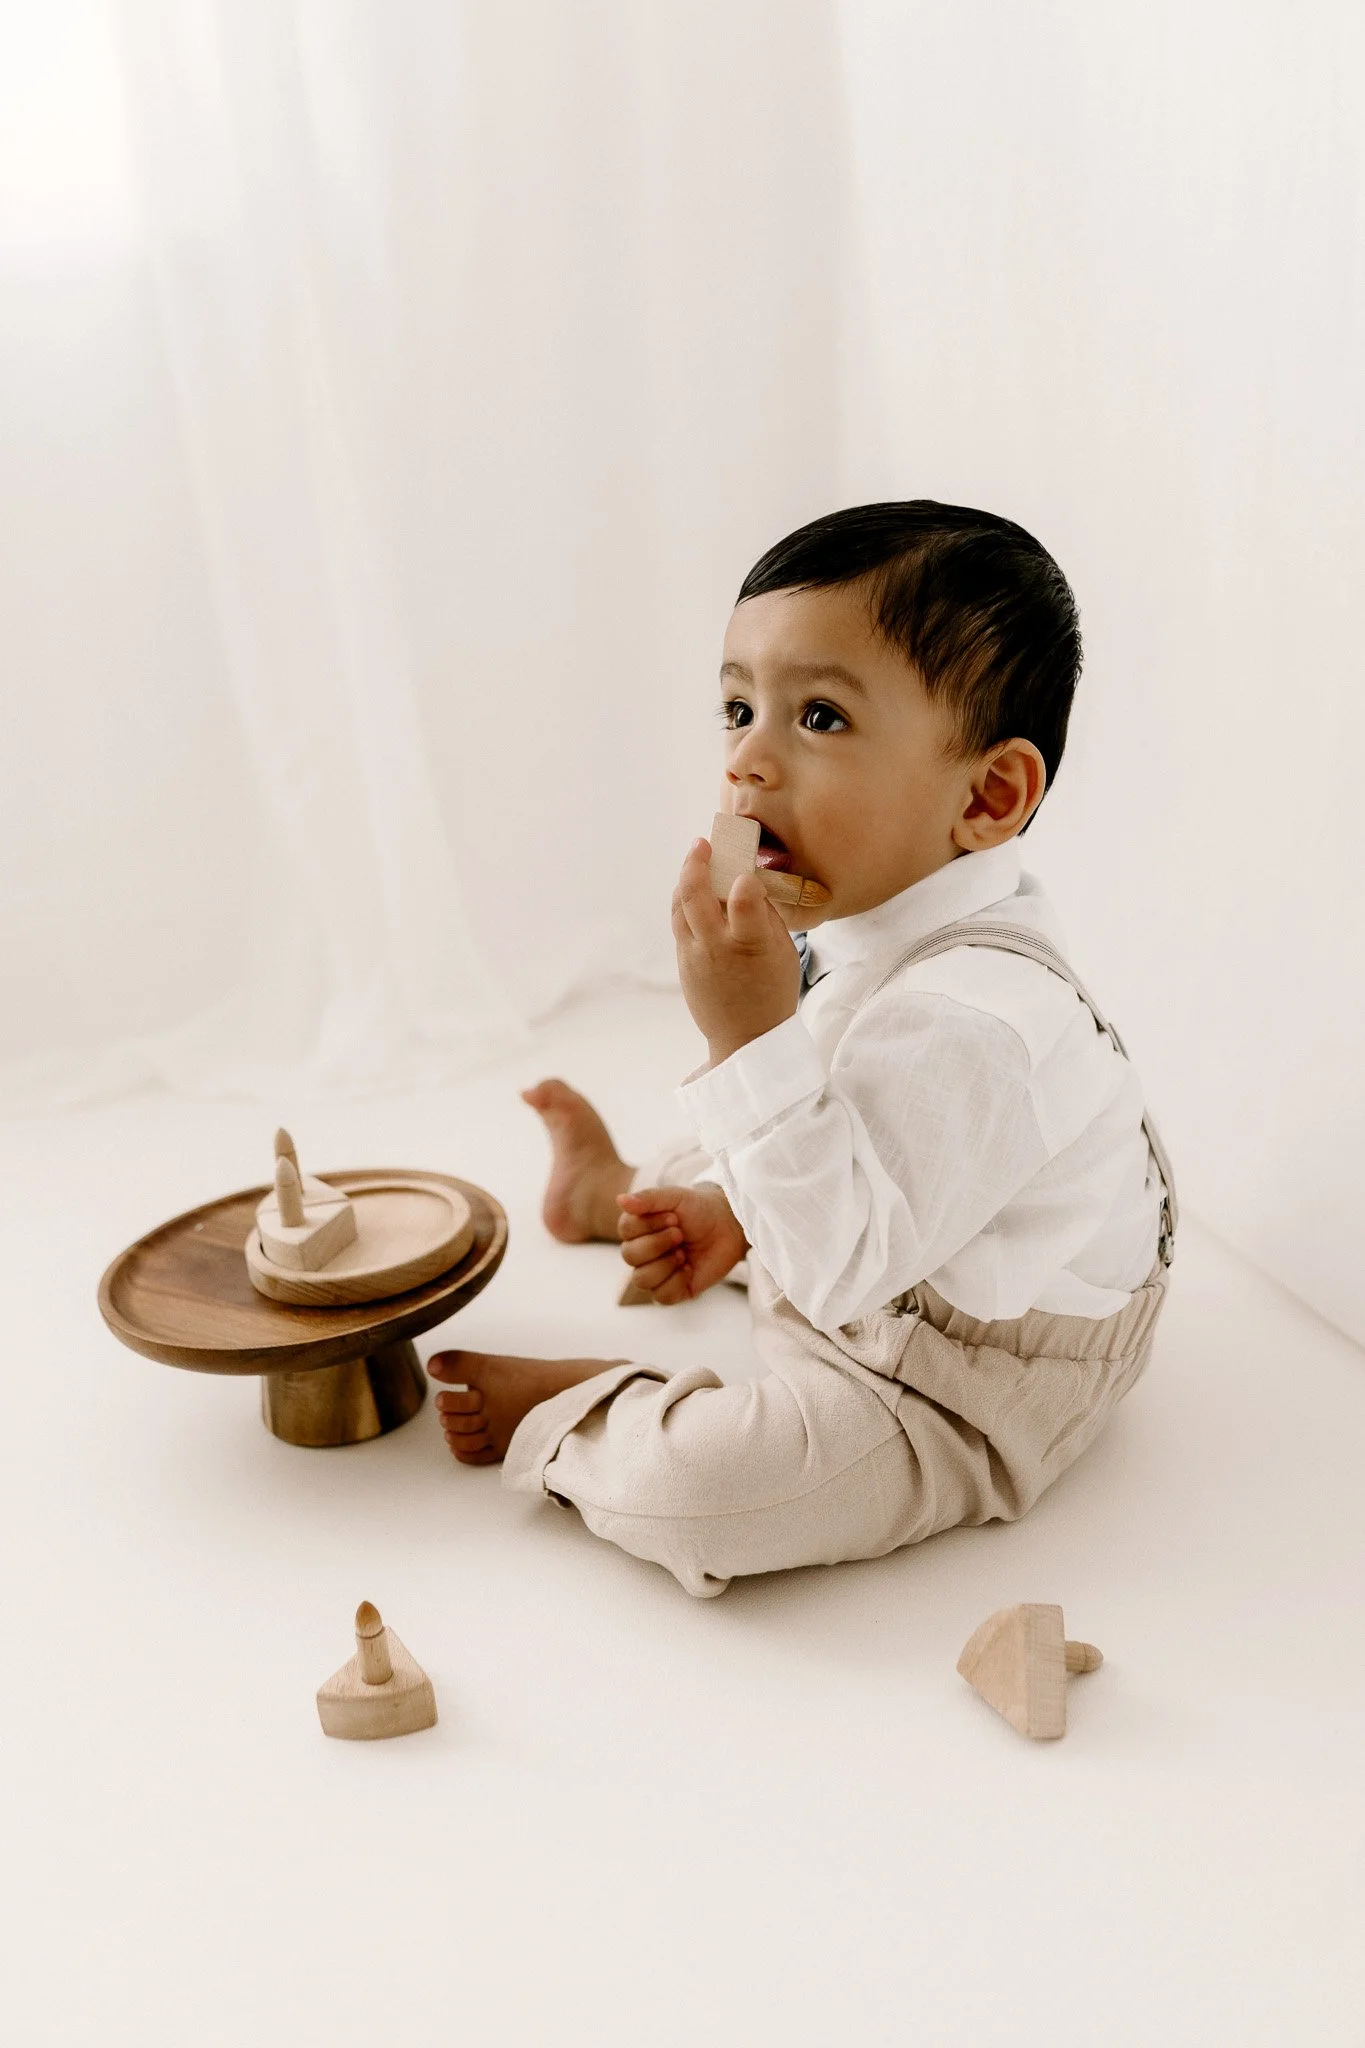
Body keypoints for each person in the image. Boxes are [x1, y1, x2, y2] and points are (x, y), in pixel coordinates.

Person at [429, 501, 1176, 1598]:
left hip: (970, 1369)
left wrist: (747, 1032)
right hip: (888, 1240)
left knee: (710, 1492)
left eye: (818, 717)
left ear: (987, 794)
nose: (747, 762)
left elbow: (838, 1274)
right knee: (743, 1142)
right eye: (737, 707)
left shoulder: (976, 1019)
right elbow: (836, 1136)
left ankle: (596, 1406)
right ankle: (614, 1195)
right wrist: (736, 1197)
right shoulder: (875, 917)